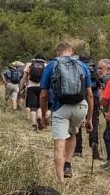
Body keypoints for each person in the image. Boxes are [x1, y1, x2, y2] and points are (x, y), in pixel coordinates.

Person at [38, 43, 95, 181]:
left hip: (60, 107)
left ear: (57, 52)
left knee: (59, 144)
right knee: (72, 133)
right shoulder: (82, 66)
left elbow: (44, 95)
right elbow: (90, 94)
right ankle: (68, 164)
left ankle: (61, 181)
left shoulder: (52, 65)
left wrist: (45, 115)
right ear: (72, 51)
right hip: (80, 107)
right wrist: (89, 119)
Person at [20, 55, 47, 132]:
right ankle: (39, 116)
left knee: (32, 106)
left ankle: (34, 124)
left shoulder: (29, 64)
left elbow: (24, 78)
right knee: (39, 105)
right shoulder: (45, 65)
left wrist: (21, 87)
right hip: (41, 87)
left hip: (31, 87)